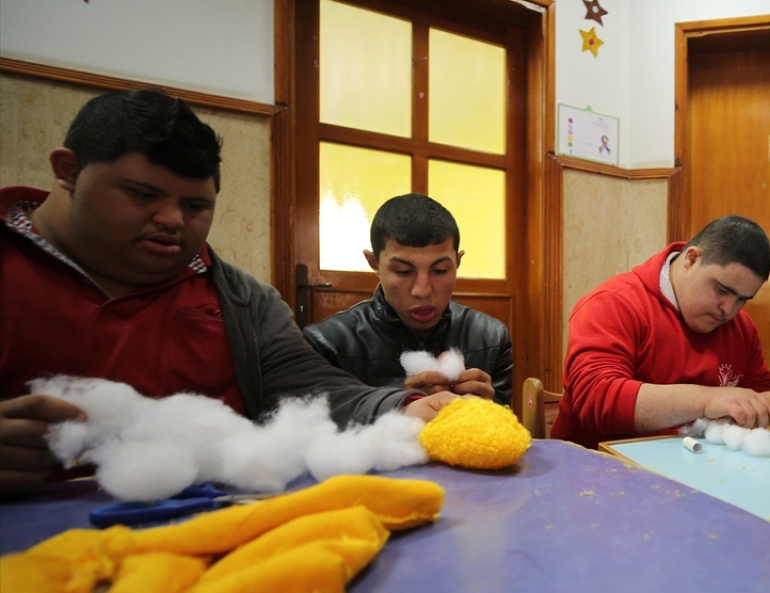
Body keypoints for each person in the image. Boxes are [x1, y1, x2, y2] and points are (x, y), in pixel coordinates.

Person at [0, 90, 455, 494]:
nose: (173, 220)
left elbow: (316, 393)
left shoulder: (242, 300)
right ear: (68, 171)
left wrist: (408, 406)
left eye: (195, 205)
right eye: (143, 195)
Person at [551, 215, 770, 449]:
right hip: (597, 472)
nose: (728, 309)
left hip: (699, 471)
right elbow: (598, 400)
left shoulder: (742, 328)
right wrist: (707, 399)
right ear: (692, 259)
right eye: (721, 290)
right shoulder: (612, 303)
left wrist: (765, 407)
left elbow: (757, 392)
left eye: (742, 300)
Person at [303, 194, 514, 405]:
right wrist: (399, 403)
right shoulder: (327, 344)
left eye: (440, 271)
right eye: (404, 271)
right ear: (375, 263)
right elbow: (313, 432)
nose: (422, 291)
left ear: (457, 263)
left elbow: (504, 431)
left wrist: (489, 412)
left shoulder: (491, 339)